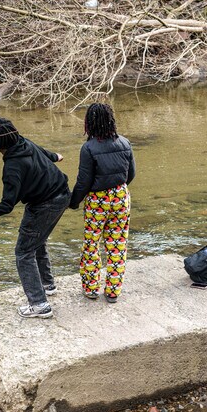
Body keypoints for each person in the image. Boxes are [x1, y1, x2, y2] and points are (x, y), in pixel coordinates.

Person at [0, 116, 70, 319]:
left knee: (23, 252)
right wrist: (56, 157)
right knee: (37, 242)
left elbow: (6, 206)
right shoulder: (23, 142)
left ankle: (39, 304)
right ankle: (47, 285)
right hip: (62, 195)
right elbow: (43, 152)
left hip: (44, 204)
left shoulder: (12, 167)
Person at [69, 103, 136, 303]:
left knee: (92, 244)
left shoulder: (88, 148)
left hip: (98, 201)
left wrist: (73, 202)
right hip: (121, 196)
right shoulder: (124, 142)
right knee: (117, 244)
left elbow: (83, 181)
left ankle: (91, 288)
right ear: (111, 120)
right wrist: (116, 190)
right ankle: (113, 291)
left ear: (89, 123)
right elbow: (130, 174)